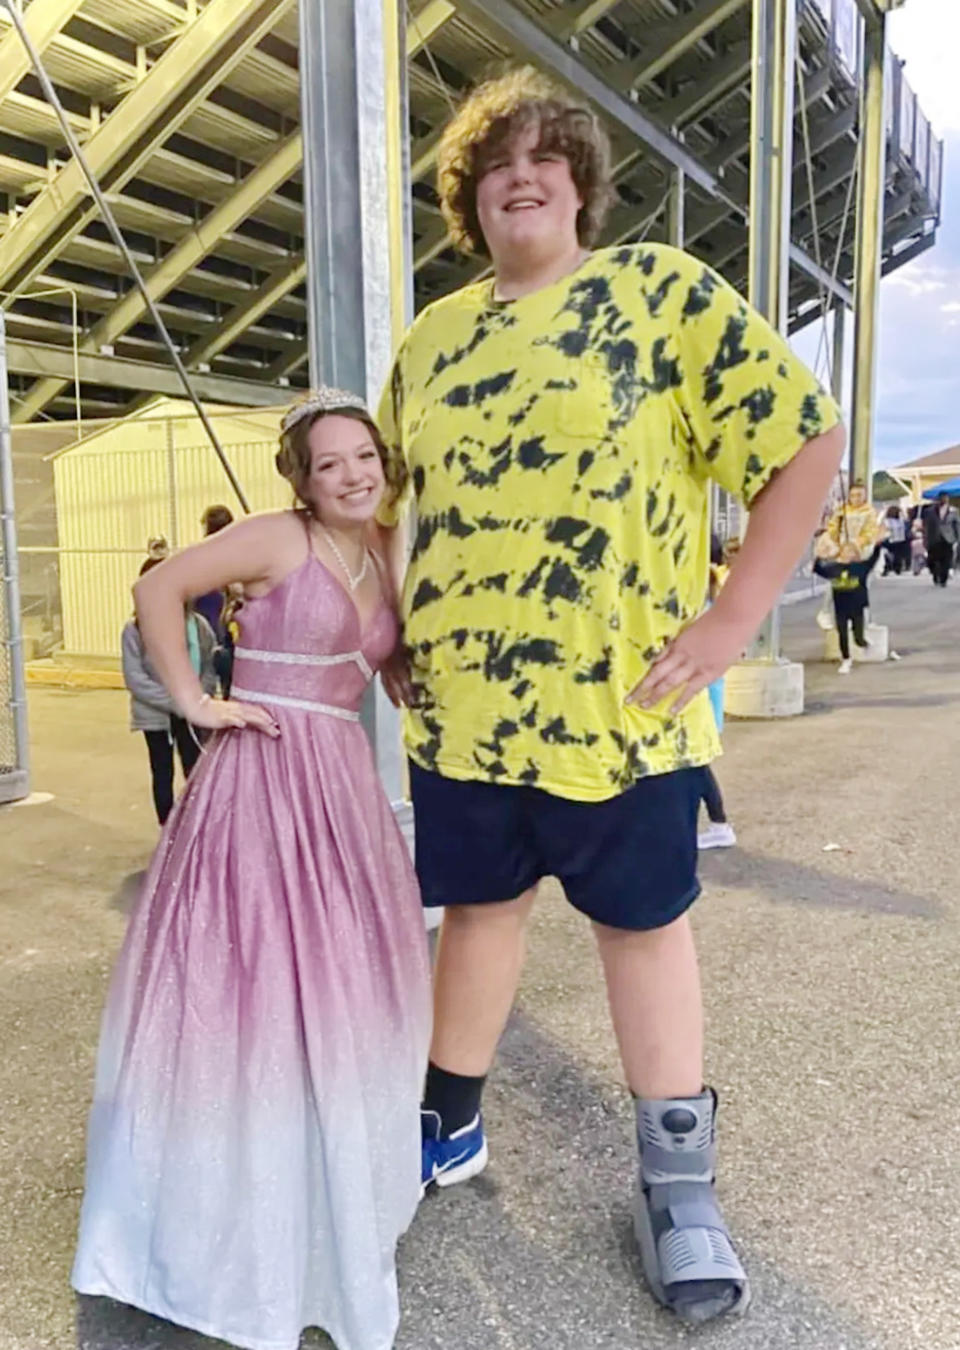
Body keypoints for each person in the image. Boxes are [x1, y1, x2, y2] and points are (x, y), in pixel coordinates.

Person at [375, 67, 845, 1324]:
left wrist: (739, 613)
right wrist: (383, 626)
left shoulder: (657, 295)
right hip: (467, 711)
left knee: (642, 928)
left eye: (544, 153)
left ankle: (678, 1183)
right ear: (467, 197)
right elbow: (375, 498)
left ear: (581, 180)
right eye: (492, 160)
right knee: (476, 916)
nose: (518, 171)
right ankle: (448, 1127)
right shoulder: (430, 339)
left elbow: (805, 438)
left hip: (623, 711)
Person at [72, 390, 431, 1350]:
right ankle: (228, 1211)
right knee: (250, 985)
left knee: (344, 987)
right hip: (262, 779)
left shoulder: (387, 543)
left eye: (363, 456)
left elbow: (378, 655)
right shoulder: (278, 539)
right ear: (301, 480)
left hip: (343, 793)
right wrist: (196, 701)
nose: (352, 474)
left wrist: (390, 670)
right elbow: (157, 591)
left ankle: (327, 1190)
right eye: (330, 464)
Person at [121, 557, 217, 824]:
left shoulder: (198, 625)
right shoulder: (134, 631)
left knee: (196, 770)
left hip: (193, 712)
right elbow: (135, 678)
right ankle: (167, 831)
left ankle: (198, 827)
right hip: (158, 716)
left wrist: (200, 698)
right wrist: (176, 701)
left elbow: (209, 664)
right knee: (162, 772)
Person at [698, 538, 735, 850]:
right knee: (694, 767)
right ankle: (718, 824)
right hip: (705, 693)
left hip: (698, 696)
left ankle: (720, 824)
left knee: (695, 768)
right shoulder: (712, 593)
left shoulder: (701, 598)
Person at [813, 541, 881, 674]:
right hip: (841, 608)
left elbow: (874, 558)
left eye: (851, 552)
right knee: (842, 634)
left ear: (856, 555)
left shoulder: (861, 567)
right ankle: (846, 659)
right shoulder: (834, 568)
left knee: (858, 638)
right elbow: (818, 569)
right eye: (844, 552)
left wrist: (878, 544)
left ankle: (864, 642)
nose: (847, 555)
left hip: (857, 608)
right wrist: (819, 556)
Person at [923, 491, 960, 586]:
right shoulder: (930, 511)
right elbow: (926, 526)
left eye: (945, 498)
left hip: (948, 538)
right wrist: (925, 538)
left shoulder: (953, 511)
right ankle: (935, 574)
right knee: (933, 559)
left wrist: (957, 538)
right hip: (934, 538)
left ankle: (943, 579)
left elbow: (956, 525)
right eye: (941, 498)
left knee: (946, 559)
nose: (943, 500)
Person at [881, 505, 909, 575]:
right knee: (898, 555)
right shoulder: (900, 521)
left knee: (887, 553)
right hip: (899, 539)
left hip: (889, 539)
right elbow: (906, 525)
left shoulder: (886, 521)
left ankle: (888, 566)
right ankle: (897, 568)